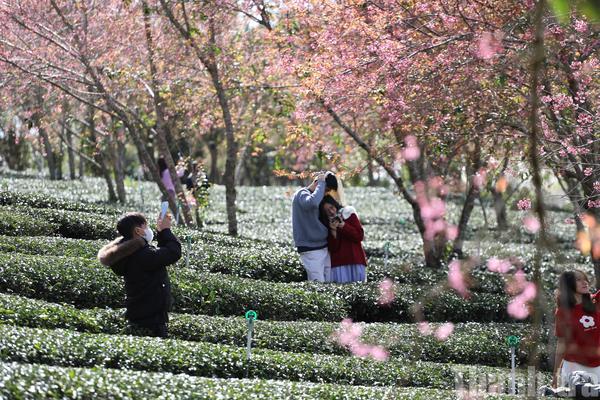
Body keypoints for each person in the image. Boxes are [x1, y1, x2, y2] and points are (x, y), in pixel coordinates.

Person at [97, 212, 182, 338]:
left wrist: (161, 232)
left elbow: (159, 256)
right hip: (151, 318)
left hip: (140, 313)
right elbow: (173, 253)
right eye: (145, 226)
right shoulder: (142, 255)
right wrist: (165, 230)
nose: (148, 229)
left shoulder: (131, 252)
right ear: (138, 231)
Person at [553, 269, 600, 388]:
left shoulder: (596, 301)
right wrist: (555, 374)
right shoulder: (562, 312)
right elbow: (561, 343)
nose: (585, 282)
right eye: (579, 280)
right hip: (574, 367)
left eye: (585, 279)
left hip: (598, 366)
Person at [292, 171, 338, 282]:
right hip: (311, 249)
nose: (325, 193)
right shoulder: (301, 194)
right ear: (318, 183)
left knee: (329, 282)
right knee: (318, 285)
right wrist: (322, 182)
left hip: (322, 246)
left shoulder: (318, 197)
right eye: (325, 190)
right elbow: (311, 203)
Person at [319, 195, 367, 283]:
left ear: (335, 204)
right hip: (339, 264)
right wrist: (333, 231)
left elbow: (359, 236)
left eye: (331, 207)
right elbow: (333, 248)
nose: (331, 212)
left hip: (355, 260)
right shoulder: (327, 223)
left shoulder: (348, 213)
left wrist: (343, 226)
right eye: (327, 211)